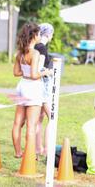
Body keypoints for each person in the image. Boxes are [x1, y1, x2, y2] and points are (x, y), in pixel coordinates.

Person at [12, 22, 51, 158]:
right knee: (31, 125)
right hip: (33, 89)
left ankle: (18, 152)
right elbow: (35, 75)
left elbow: (16, 72)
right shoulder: (35, 53)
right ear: (34, 35)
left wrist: (26, 72)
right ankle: (29, 155)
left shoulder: (20, 53)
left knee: (17, 123)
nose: (40, 36)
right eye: (39, 34)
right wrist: (46, 73)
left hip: (21, 87)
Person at [35, 23, 54, 157]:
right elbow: (39, 68)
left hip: (40, 85)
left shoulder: (38, 46)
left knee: (40, 118)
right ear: (48, 34)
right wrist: (50, 72)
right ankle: (47, 149)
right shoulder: (41, 48)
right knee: (52, 117)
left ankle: (38, 148)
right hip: (44, 85)